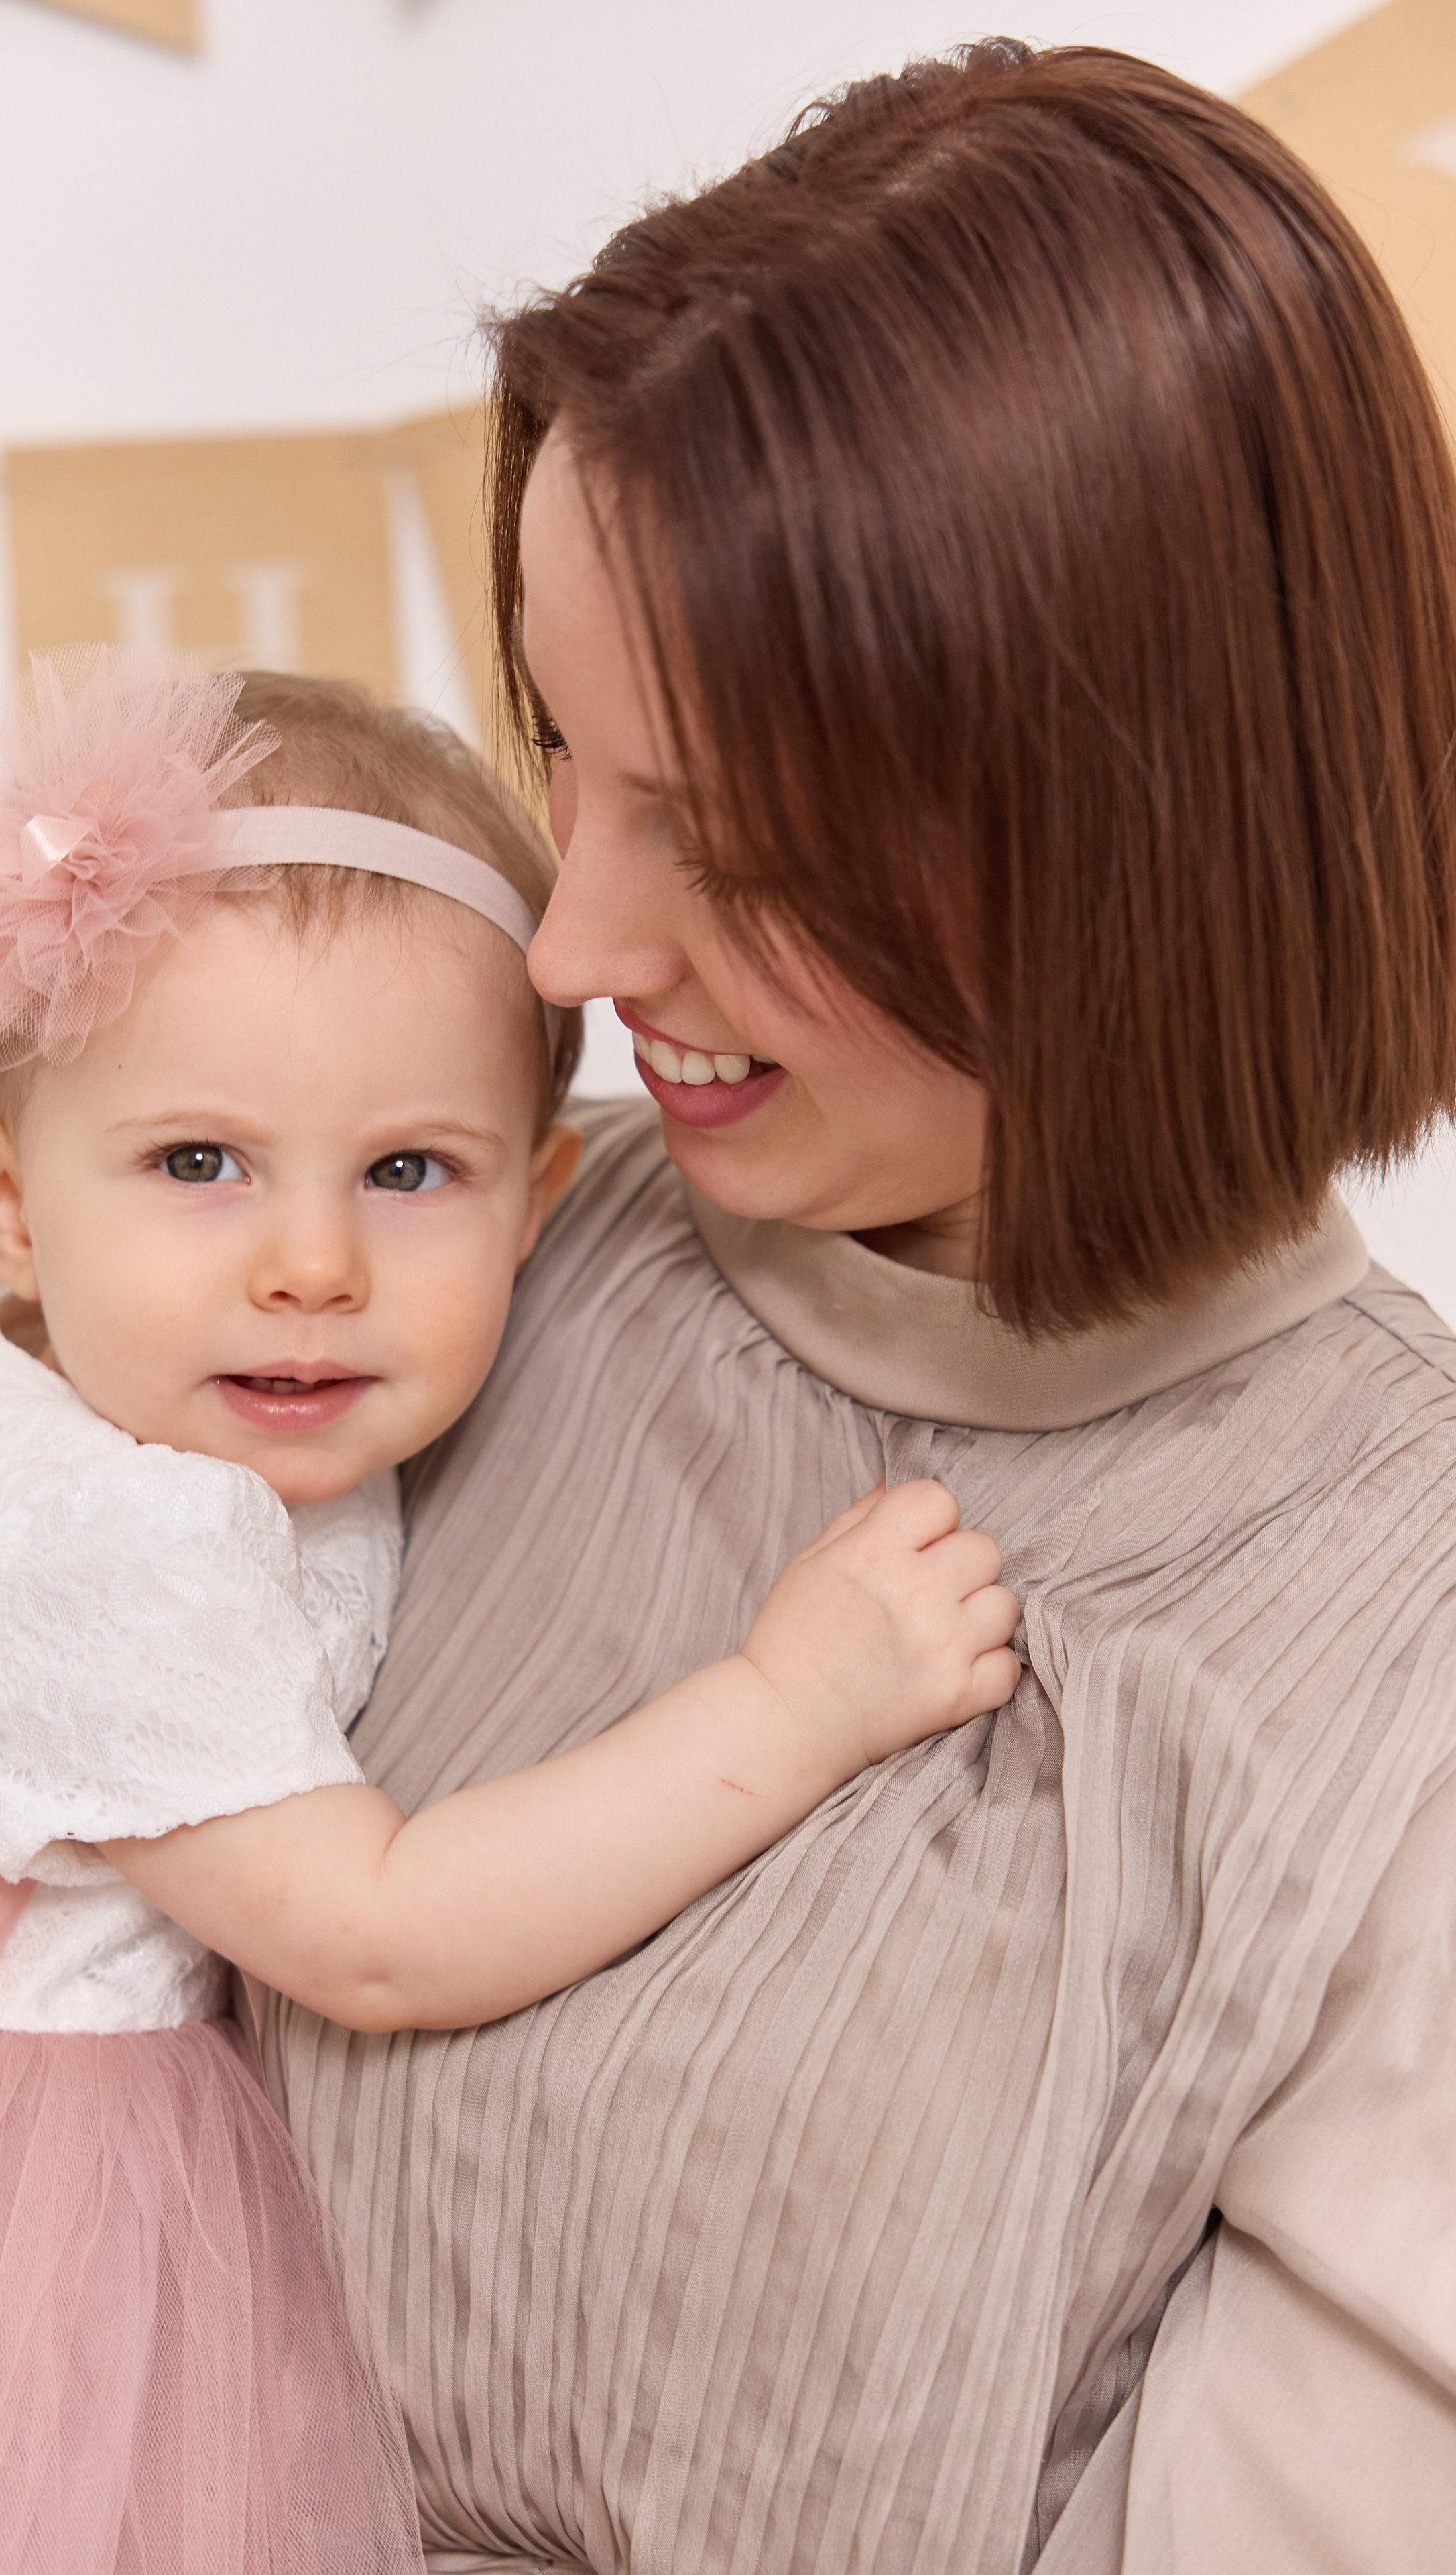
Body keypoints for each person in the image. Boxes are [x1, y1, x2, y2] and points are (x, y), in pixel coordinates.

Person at [255, 40, 1456, 2574]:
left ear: (1146, 848)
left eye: (740, 840)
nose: (570, 948)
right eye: (566, 754)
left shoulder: (1395, 1676)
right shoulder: (422, 1270)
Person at [0, 654, 1021, 2574]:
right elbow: (380, 1931)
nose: (314, 1267)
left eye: (410, 1171)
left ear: (540, 1205)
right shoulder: (72, 1541)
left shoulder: (186, 1394)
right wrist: (799, 1698)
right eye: (199, 1165)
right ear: (2, 1201)